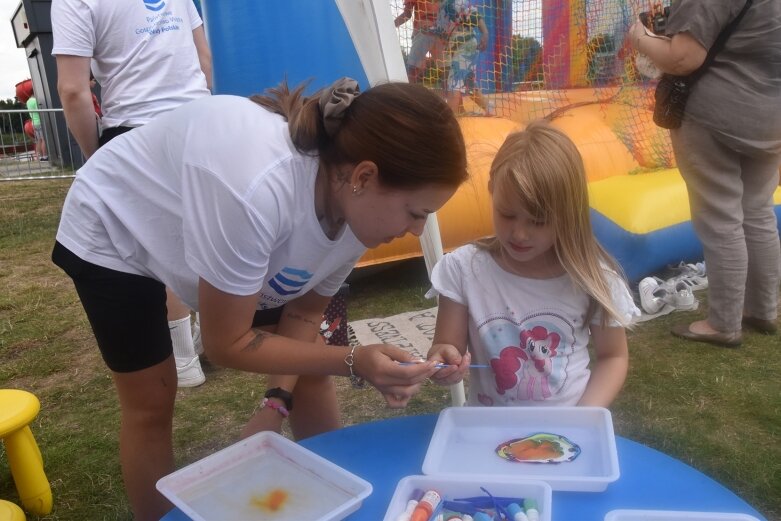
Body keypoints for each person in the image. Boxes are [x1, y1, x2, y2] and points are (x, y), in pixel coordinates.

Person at [51, 77, 467, 520]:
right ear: (364, 176)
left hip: (217, 216)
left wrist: (275, 403)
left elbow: (305, 316)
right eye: (416, 213)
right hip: (113, 224)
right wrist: (355, 359)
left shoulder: (355, 206)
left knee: (310, 370)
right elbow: (226, 343)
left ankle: (339, 504)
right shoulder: (256, 191)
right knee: (151, 403)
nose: (418, 230)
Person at [52, 0, 214, 386]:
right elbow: (204, 60)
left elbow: (73, 90)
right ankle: (215, 333)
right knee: (202, 237)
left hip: (135, 130)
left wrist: (99, 157)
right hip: (202, 122)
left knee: (152, 249)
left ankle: (186, 359)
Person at [425, 121, 638, 407]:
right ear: (492, 191)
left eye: (539, 221)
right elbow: (446, 346)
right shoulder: (464, 269)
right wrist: (444, 361)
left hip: (566, 435)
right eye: (507, 214)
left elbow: (613, 356)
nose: (520, 233)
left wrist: (584, 417)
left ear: (568, 213)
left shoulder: (592, 277)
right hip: (489, 432)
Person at [628, 0, 781, 347]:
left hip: (718, 115)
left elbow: (683, 57)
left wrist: (641, 37)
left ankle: (724, 323)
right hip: (771, 114)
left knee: (720, 217)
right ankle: (763, 308)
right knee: (757, 211)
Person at [439, 0, 493, 116]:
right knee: (468, 82)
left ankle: (451, 119)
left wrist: (485, 33)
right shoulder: (442, 6)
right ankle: (488, 107)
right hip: (457, 47)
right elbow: (444, 31)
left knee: (454, 83)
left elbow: (473, 14)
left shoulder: (453, 2)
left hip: (465, 45)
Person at [395, 0, 446, 84]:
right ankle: (448, 95)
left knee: (413, 69)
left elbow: (407, 14)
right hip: (441, 32)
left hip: (423, 30)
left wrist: (390, 25)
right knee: (445, 70)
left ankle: (409, 94)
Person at [25, 95, 48, 161]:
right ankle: (45, 156)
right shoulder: (35, 101)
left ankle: (40, 157)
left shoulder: (28, 101)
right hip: (39, 122)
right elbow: (38, 110)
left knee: (38, 140)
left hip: (33, 123)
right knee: (43, 140)